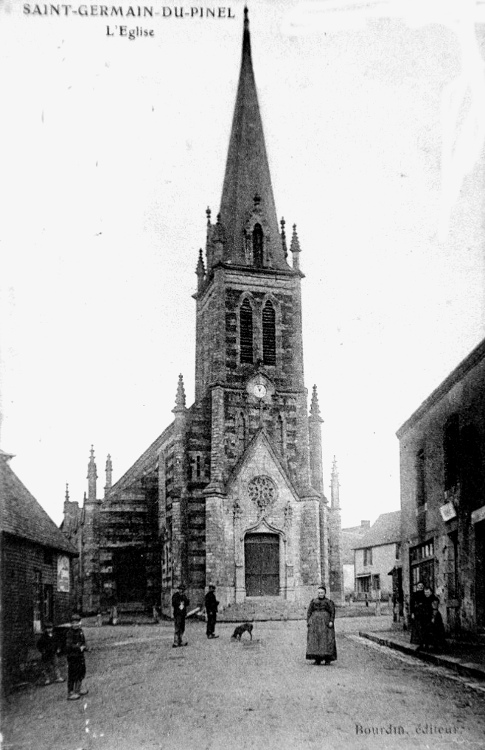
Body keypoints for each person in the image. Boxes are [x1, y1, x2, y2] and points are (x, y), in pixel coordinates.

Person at [306, 586, 337, 666]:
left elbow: (332, 612)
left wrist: (331, 621)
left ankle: (327, 659)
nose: (320, 594)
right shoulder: (313, 601)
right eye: (319, 593)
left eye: (322, 593)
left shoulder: (328, 602)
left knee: (326, 639)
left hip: (325, 623)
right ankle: (317, 659)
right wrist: (308, 620)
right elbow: (309, 611)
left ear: (325, 593)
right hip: (315, 624)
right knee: (316, 640)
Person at [66, 613, 88, 701]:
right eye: (73, 623)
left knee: (81, 672)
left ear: (80, 622)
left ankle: (78, 689)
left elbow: (83, 641)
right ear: (71, 624)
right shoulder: (70, 633)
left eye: (77, 622)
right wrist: (79, 647)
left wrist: (86, 647)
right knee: (72, 674)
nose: (75, 624)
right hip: (73, 657)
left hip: (80, 656)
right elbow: (69, 645)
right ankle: (70, 692)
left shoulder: (80, 631)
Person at [410, 581, 426, 646]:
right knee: (417, 625)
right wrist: (412, 613)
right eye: (419, 586)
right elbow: (412, 604)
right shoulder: (414, 594)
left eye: (422, 586)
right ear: (417, 587)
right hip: (417, 611)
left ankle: (423, 640)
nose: (420, 587)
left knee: (423, 626)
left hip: (424, 612)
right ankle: (416, 640)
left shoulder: (425, 594)